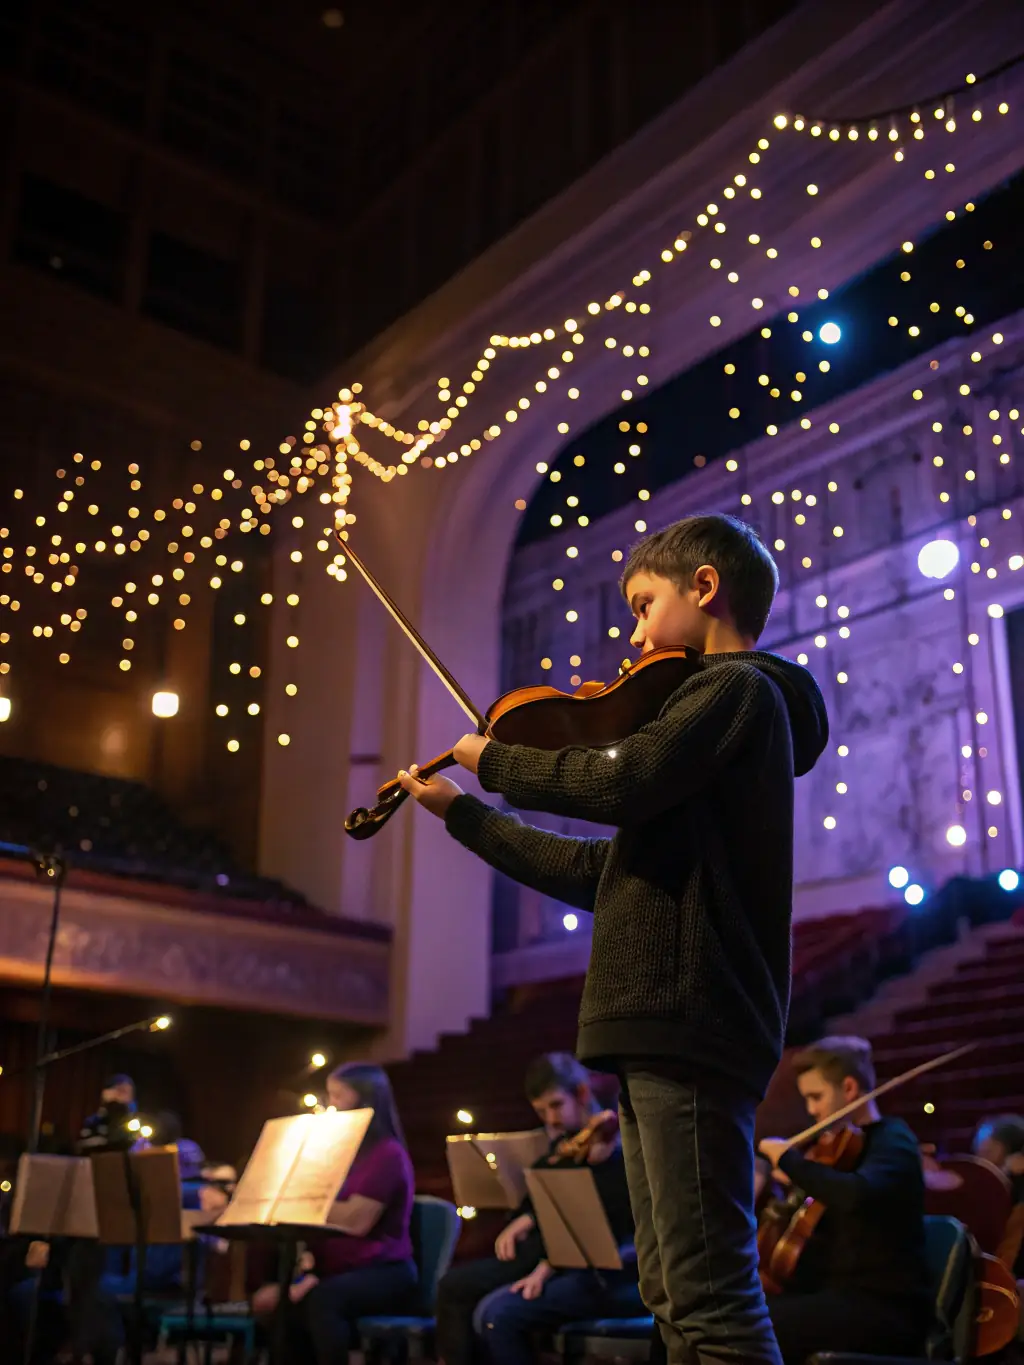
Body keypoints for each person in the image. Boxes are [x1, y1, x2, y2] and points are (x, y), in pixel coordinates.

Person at [399, 514, 829, 1365]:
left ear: (703, 588)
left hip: (691, 1019)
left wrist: (496, 761)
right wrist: (466, 818)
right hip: (664, 1025)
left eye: (643, 604)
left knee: (707, 1296)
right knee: (672, 1288)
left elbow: (621, 778)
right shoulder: (702, 733)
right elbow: (603, 874)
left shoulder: (732, 692)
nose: (632, 635)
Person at [434, 1053, 639, 1365]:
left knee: (495, 1313)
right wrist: (527, 1217)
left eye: (556, 1106)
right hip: (561, 1259)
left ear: (582, 1094)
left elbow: (599, 1226)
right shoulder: (563, 1149)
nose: (550, 1120)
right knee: (470, 1297)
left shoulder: (616, 1149)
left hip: (602, 1271)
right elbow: (546, 1202)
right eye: (542, 1111)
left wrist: (545, 1267)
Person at [757, 1036, 931, 1363]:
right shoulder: (838, 1151)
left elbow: (856, 1194)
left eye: (816, 1097)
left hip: (883, 1309)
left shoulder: (894, 1140)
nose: (811, 1110)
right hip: (837, 1298)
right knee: (729, 1311)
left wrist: (791, 1163)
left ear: (849, 1088)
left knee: (747, 1326)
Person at [252, 1063, 417, 1365]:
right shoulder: (338, 1153)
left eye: (338, 1097)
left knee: (322, 1301)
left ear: (365, 1102)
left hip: (383, 1270)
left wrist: (300, 1197)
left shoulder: (387, 1154)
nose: (331, 1106)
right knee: (276, 1305)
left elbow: (356, 1221)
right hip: (336, 1270)